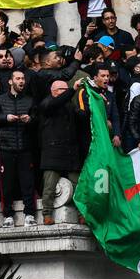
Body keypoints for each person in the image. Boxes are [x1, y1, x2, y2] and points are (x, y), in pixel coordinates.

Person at [0, 69, 39, 226]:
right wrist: (5, 118)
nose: (21, 81)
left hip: (25, 148)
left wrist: (29, 120)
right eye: (18, 78)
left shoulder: (30, 100)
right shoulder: (0, 100)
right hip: (6, 148)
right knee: (7, 184)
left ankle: (30, 215)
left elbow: (38, 120)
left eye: (23, 78)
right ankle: (8, 216)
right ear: (10, 81)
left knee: (28, 183)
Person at [39, 79, 83, 225]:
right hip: (53, 152)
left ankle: (82, 213)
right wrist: (72, 90)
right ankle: (47, 214)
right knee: (49, 187)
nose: (65, 92)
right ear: (53, 91)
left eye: (66, 90)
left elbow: (81, 117)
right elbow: (54, 104)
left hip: (70, 153)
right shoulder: (47, 103)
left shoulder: (70, 105)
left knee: (78, 186)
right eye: (62, 90)